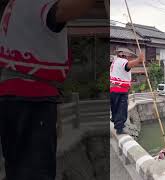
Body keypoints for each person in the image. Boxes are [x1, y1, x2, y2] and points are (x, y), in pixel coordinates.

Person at [0, 0, 96, 179]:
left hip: (12, 93)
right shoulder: (36, 3)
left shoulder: (15, 6)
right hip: (30, 97)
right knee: (35, 172)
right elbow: (65, 9)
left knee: (17, 168)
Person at [110, 47, 145, 134]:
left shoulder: (114, 62)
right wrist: (138, 60)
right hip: (120, 90)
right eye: (129, 56)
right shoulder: (122, 61)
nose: (129, 58)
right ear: (124, 55)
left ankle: (115, 120)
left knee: (115, 107)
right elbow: (128, 65)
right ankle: (120, 128)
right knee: (122, 108)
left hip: (113, 89)